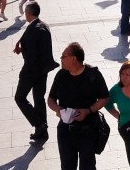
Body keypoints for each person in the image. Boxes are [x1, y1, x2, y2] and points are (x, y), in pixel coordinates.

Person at [47, 42, 110, 170]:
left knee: (87, 166)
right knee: (67, 166)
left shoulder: (93, 74)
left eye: (64, 56)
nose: (61, 59)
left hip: (88, 130)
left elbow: (104, 97)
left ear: (74, 58)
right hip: (65, 130)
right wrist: (57, 109)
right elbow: (51, 99)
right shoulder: (61, 75)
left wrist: (88, 110)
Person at [15, 2, 59, 145]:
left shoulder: (34, 30)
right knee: (38, 98)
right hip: (43, 70)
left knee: (20, 97)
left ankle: (39, 124)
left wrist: (23, 72)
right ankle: (42, 131)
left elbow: (32, 56)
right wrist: (21, 44)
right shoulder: (43, 25)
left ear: (29, 13)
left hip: (32, 71)